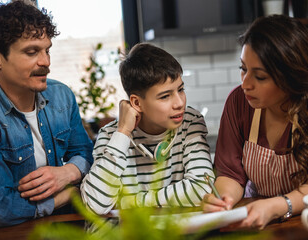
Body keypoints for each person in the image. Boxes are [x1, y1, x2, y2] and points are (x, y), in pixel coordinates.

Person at [202, 15, 308, 230]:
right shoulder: (238, 101)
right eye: (243, 69)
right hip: (259, 220)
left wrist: (275, 206)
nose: (245, 84)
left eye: (260, 76)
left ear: (291, 77)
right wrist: (223, 200)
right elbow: (230, 175)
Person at [0, 1, 93, 227]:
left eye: (47, 50)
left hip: (73, 225)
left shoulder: (62, 96)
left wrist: (70, 172)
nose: (46, 62)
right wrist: (69, 194)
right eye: (32, 52)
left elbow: (87, 154)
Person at [81, 43, 214, 216]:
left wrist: (134, 201)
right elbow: (95, 205)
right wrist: (123, 132)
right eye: (165, 96)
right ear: (137, 103)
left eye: (180, 90)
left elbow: (202, 188)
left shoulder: (190, 123)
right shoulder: (111, 135)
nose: (180, 103)